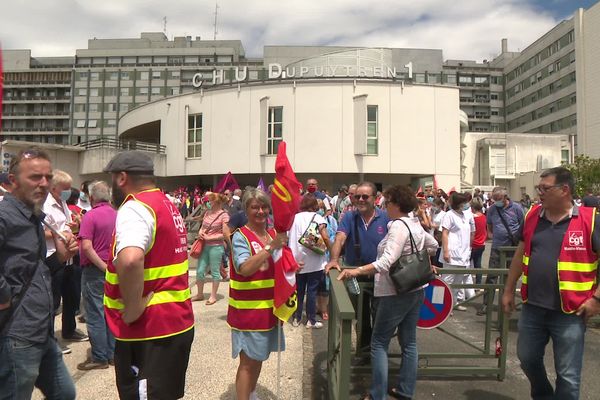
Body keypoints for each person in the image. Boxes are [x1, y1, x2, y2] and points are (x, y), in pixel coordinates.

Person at [103, 151, 195, 400]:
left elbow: (131, 260)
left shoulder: (135, 207)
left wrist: (132, 309)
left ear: (122, 178)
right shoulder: (166, 204)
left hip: (147, 329)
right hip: (175, 322)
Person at [502, 167, 600, 400]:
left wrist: (597, 298)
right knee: (527, 358)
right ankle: (544, 395)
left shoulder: (591, 220)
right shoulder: (533, 215)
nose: (539, 193)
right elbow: (520, 253)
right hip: (533, 307)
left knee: (568, 375)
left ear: (564, 190)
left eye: (545, 188)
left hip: (571, 312)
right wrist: (508, 290)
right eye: (539, 188)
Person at [338, 185, 438, 400]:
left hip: (395, 291)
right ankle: (405, 391)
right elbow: (433, 245)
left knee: (379, 343)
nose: (385, 205)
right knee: (409, 343)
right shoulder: (414, 223)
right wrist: (415, 256)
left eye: (388, 201)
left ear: (395, 204)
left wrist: (356, 271)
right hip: (416, 289)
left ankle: (377, 394)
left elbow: (386, 261)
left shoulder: (398, 226)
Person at [0, 147, 77, 399]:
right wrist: (3, 296)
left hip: (41, 331)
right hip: (17, 334)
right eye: (35, 177)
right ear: (13, 181)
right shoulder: (5, 216)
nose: (44, 183)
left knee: (65, 393)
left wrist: (60, 258)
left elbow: (35, 270)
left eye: (47, 177)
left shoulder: (34, 216)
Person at [228, 189, 288, 400]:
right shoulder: (240, 236)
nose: (260, 211)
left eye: (264, 206)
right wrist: (271, 248)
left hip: (269, 310)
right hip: (248, 312)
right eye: (255, 207)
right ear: (246, 209)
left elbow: (278, 266)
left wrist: (291, 267)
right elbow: (244, 268)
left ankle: (251, 393)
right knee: (248, 362)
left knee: (260, 356)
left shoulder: (272, 234)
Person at [326, 181, 389, 361]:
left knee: (380, 318)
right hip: (356, 276)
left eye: (365, 196)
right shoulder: (349, 217)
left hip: (380, 276)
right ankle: (364, 353)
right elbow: (339, 238)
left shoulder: (386, 218)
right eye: (357, 196)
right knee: (361, 318)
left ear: (375, 199)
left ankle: (376, 353)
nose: (360, 200)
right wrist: (333, 259)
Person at [43, 169, 87, 345]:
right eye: (65, 188)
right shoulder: (45, 206)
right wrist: (59, 234)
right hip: (53, 257)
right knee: (53, 301)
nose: (69, 191)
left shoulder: (64, 204)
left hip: (70, 256)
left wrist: (74, 226)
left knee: (72, 296)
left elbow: (69, 228)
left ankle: (69, 330)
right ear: (54, 188)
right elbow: (41, 232)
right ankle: (50, 340)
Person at [77, 181, 117, 370]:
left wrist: (102, 267)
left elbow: (86, 246)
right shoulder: (117, 215)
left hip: (95, 271)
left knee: (95, 313)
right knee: (111, 312)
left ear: (92, 197)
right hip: (114, 269)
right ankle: (112, 353)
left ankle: (99, 356)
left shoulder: (90, 216)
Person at [478, 186, 524, 316]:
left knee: (510, 277)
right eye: (494, 199)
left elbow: (523, 225)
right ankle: (486, 304)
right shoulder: (492, 209)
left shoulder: (517, 208)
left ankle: (508, 303)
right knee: (492, 276)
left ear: (505, 197)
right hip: (497, 247)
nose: (496, 201)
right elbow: (489, 225)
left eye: (498, 199)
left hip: (512, 247)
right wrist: (492, 235)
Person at [288, 194, 331, 328]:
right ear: (315, 206)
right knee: (312, 291)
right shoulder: (318, 218)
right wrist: (333, 250)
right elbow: (325, 236)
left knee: (299, 291)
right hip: (315, 261)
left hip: (297, 260)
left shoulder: (294, 218)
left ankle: (297, 317)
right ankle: (311, 320)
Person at [191, 192, 231, 305]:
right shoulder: (207, 213)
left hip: (216, 247)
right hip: (204, 246)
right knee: (200, 271)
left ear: (217, 202)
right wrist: (200, 233)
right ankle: (200, 294)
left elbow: (225, 233)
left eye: (211, 200)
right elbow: (202, 227)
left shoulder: (224, 215)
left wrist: (209, 237)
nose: (208, 202)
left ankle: (213, 296)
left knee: (215, 272)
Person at [440, 192, 475, 311]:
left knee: (458, 281)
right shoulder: (449, 215)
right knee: (447, 280)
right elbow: (445, 233)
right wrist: (445, 251)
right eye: (463, 202)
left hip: (463, 254)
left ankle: (453, 303)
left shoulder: (464, 215)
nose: (466, 204)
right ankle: (442, 306)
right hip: (452, 253)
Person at [470, 199, 487, 285]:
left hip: (473, 244)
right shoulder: (484, 217)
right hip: (481, 244)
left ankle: (467, 284)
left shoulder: (472, 218)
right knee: (478, 265)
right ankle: (478, 283)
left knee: (467, 265)